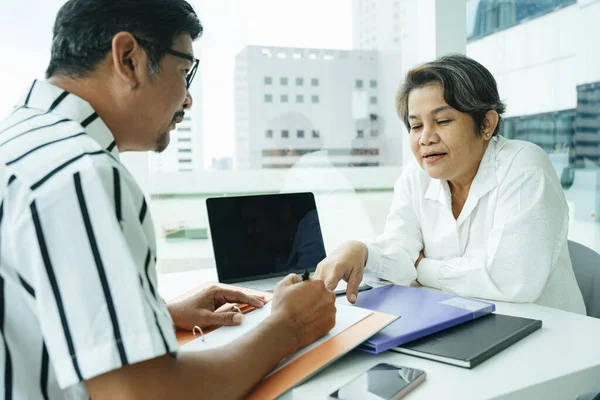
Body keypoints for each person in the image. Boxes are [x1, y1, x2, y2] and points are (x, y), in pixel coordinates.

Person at [0, 0, 336, 398]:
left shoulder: (21, 143)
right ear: (128, 59)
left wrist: (153, 316)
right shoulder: (82, 173)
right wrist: (287, 327)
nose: (188, 99)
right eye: (184, 71)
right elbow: (143, 393)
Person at [315, 54, 586, 315]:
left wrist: (421, 268)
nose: (425, 138)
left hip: (548, 333)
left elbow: (511, 280)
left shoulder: (524, 166)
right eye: (416, 126)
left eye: (443, 121)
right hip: (463, 323)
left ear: (487, 124)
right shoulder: (415, 177)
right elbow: (399, 255)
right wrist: (362, 252)